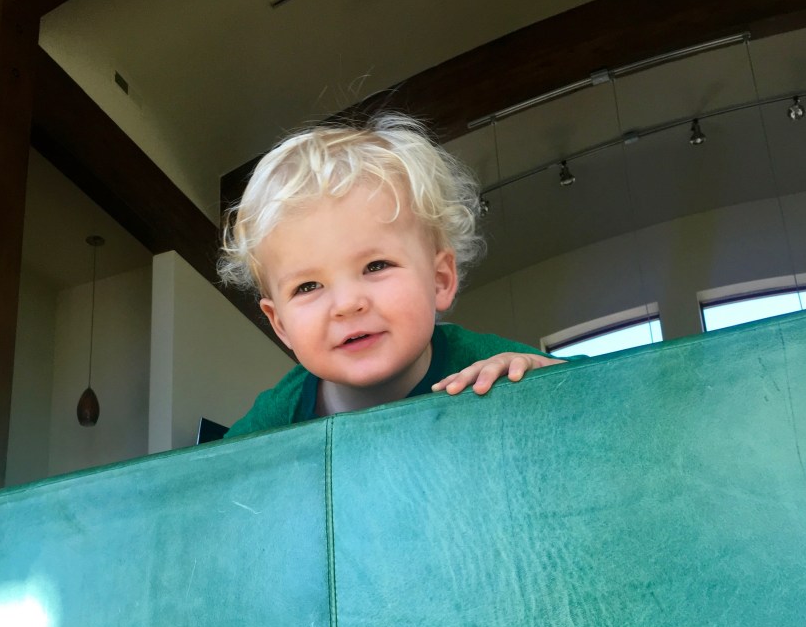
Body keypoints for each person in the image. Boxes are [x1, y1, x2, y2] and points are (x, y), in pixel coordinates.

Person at [217, 113, 565, 439]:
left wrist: (546, 377)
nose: (347, 304)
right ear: (280, 325)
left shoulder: (487, 366)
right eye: (308, 286)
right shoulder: (277, 415)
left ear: (439, 280)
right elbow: (206, 475)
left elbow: (595, 393)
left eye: (376, 266)